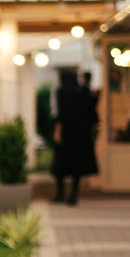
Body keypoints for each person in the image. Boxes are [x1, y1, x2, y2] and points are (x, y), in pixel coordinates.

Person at [51, 68, 98, 205]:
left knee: (61, 165)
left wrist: (57, 130)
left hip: (66, 133)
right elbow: (92, 115)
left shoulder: (61, 91)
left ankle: (60, 193)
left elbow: (59, 113)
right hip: (81, 135)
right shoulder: (83, 91)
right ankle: (73, 195)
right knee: (77, 167)